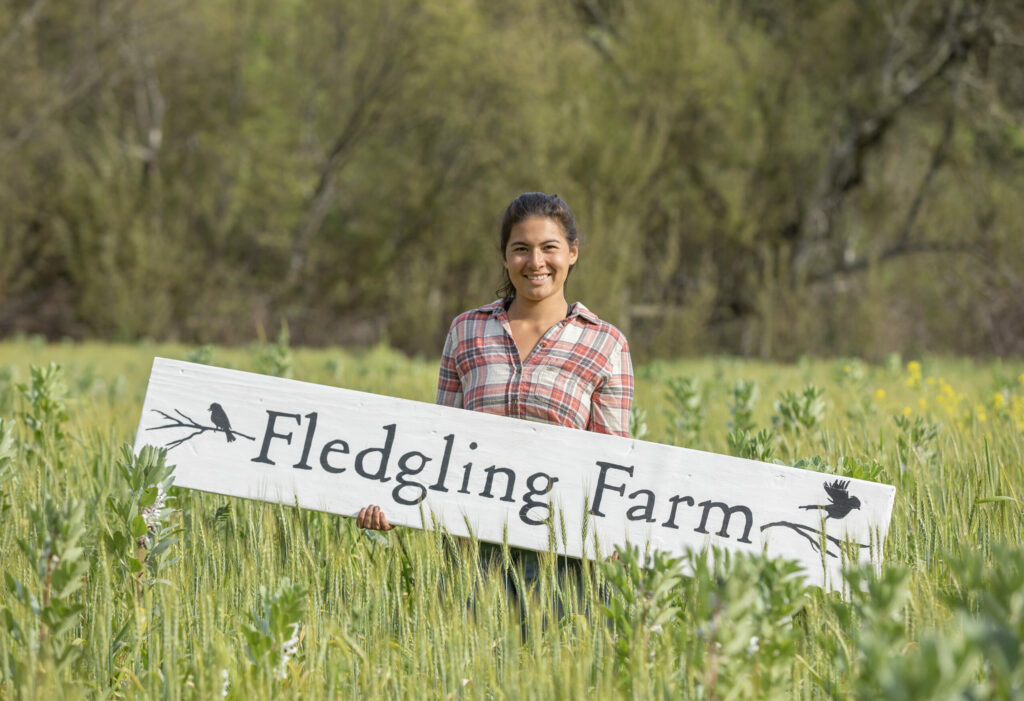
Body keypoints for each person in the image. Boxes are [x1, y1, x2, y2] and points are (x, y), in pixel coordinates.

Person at [356, 193, 633, 604]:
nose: (535, 262)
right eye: (521, 249)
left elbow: (612, 458)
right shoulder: (467, 330)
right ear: (505, 257)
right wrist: (395, 505)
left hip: (562, 558)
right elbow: (441, 443)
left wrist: (612, 538)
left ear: (572, 253)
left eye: (549, 248)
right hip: (473, 553)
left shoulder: (605, 342)